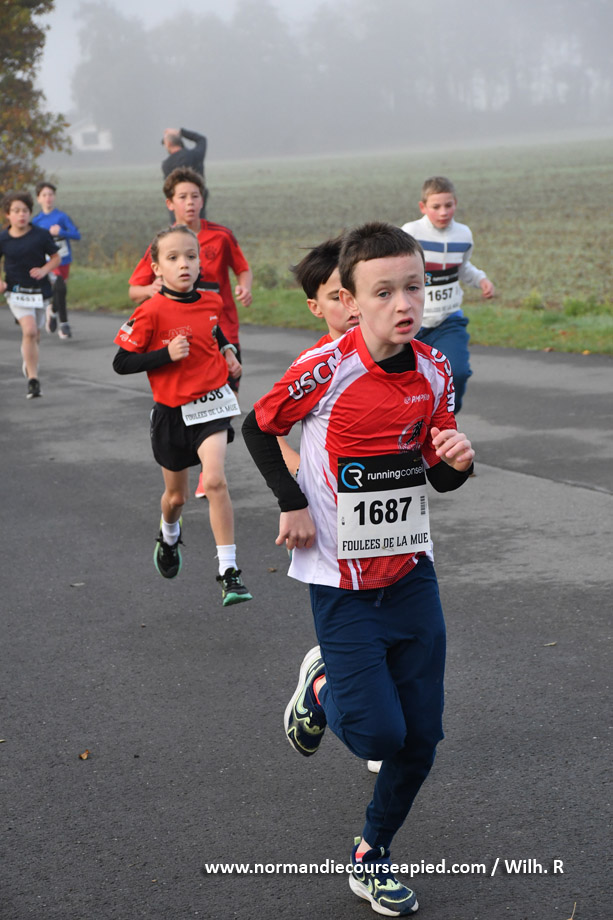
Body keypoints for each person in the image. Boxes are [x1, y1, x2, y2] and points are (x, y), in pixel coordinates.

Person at [242, 222, 474, 916]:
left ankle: (371, 855)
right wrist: (291, 503)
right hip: (339, 582)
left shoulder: (435, 371)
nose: (405, 303)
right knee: (377, 735)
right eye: (384, 292)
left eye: (414, 287)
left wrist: (456, 462)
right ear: (349, 300)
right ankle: (321, 687)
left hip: (411, 574)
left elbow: (434, 472)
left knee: (420, 740)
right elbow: (258, 425)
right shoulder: (326, 367)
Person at [113, 225, 252, 606]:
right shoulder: (150, 311)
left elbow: (214, 330)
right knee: (176, 497)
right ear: (157, 268)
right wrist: (165, 355)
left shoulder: (211, 300)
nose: (184, 264)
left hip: (211, 406)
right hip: (171, 415)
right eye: (173, 258)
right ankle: (169, 534)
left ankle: (229, 571)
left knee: (216, 481)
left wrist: (228, 352)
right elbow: (121, 362)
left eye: (191, 256)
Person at [128, 167, 253, 500]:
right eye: (182, 197)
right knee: (194, 397)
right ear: (170, 203)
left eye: (195, 196)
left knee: (225, 396)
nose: (190, 202)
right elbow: (134, 289)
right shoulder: (163, 245)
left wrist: (244, 287)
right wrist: (151, 290)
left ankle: (210, 472)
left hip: (223, 330)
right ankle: (201, 464)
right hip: (182, 337)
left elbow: (243, 269)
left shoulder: (221, 236)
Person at [401, 176, 495, 413]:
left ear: (456, 203)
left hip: (448, 320)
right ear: (423, 207)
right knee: (412, 383)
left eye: (448, 205)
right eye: (436, 206)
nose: (443, 212)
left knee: (457, 373)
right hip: (413, 322)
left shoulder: (463, 234)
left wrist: (481, 280)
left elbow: (462, 267)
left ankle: (447, 419)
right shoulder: (411, 233)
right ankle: (418, 426)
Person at [0, 191, 61, 399]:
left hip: (39, 292)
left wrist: (44, 270)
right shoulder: (3, 238)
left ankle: (30, 362)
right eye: (16, 211)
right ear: (8, 214)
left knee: (35, 334)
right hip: (16, 292)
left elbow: (56, 258)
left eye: (25, 210)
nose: (21, 215)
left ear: (30, 212)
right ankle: (33, 380)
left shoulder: (41, 235)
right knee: (30, 330)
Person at [32, 180, 81, 340]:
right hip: (48, 261)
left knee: (60, 290)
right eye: (44, 195)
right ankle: (64, 325)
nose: (48, 198)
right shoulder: (36, 221)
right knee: (60, 288)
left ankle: (52, 311)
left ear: (54, 197)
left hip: (64, 259)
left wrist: (61, 232)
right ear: (39, 198)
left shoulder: (61, 217)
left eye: (51, 194)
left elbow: (77, 235)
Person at [161, 128, 208, 215]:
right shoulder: (194, 155)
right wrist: (181, 132)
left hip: (178, 205)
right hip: (198, 198)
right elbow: (201, 139)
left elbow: (168, 187)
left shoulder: (167, 164)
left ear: (169, 144)